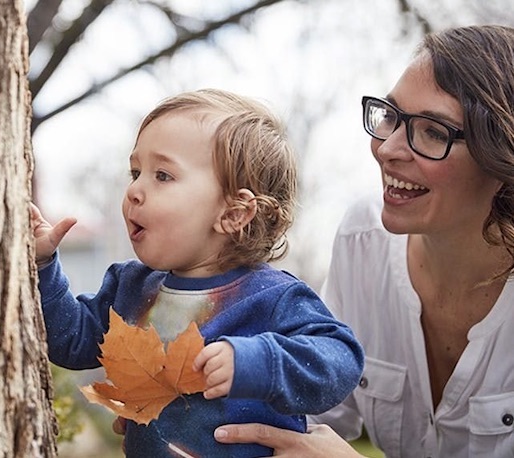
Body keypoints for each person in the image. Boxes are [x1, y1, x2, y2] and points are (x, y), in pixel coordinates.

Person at [214, 24, 514, 456]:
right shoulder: (363, 239)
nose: (387, 148)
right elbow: (312, 412)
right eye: (390, 116)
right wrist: (187, 412)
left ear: (501, 156)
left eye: (432, 131)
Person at [31, 88, 364, 457]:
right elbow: (70, 340)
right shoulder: (130, 287)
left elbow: (341, 359)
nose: (135, 191)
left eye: (162, 175)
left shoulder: (272, 297)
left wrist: (258, 361)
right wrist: (43, 267)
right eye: (135, 172)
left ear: (233, 214)